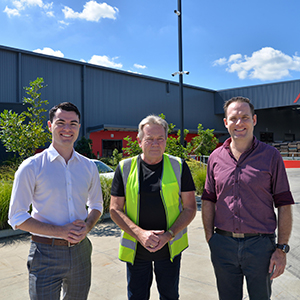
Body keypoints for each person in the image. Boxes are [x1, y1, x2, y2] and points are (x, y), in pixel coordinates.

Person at [201, 96, 294, 300]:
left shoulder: (271, 156)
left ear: (254, 119)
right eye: (233, 118)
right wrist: (211, 238)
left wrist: (282, 248)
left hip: (260, 247)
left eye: (244, 117)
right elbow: (208, 199)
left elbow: (284, 204)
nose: (239, 123)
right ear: (225, 123)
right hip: (223, 245)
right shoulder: (215, 158)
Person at [8, 102, 103, 300]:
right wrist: (60, 231)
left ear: (79, 127)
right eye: (61, 122)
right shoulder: (32, 166)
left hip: (81, 251)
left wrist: (87, 226)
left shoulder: (88, 166)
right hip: (44, 253)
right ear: (50, 126)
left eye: (73, 123)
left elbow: (96, 206)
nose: (67, 128)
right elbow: (16, 217)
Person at [110, 115, 197, 300]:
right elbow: (114, 209)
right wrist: (140, 234)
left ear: (166, 141)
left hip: (169, 248)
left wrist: (168, 235)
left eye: (160, 139)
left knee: (170, 296)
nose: (155, 144)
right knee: (137, 297)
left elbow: (190, 208)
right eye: (149, 139)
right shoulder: (124, 167)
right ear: (139, 141)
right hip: (136, 249)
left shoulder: (179, 166)